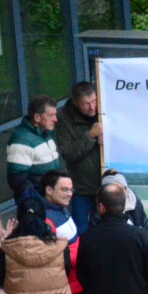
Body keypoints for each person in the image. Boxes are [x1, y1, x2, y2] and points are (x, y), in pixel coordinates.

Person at [54, 82, 102, 235]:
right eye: (85, 104)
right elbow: (68, 153)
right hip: (82, 187)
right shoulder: (63, 119)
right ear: (75, 103)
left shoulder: (105, 109)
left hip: (106, 186)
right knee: (81, 230)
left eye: (94, 101)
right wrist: (90, 136)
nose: (92, 107)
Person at [6, 95, 61, 202]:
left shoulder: (45, 135)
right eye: (50, 115)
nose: (55, 119)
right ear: (37, 118)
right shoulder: (22, 141)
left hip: (51, 199)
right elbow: (17, 181)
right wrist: (37, 202)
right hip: (38, 204)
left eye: (55, 115)